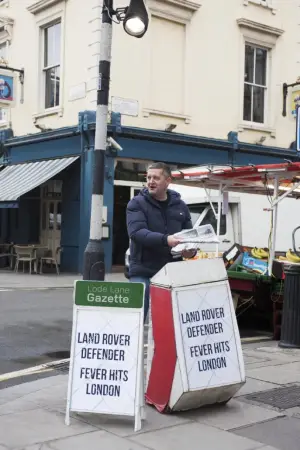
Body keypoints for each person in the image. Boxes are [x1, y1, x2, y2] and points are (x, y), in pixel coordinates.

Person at [126, 162, 196, 320]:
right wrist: (166, 240)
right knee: (134, 320)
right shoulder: (136, 203)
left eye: (156, 178)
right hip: (143, 271)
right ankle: (136, 345)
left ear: (168, 181)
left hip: (171, 272)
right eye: (149, 177)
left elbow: (189, 236)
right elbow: (137, 233)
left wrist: (191, 251)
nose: (151, 181)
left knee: (169, 321)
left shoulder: (180, 206)